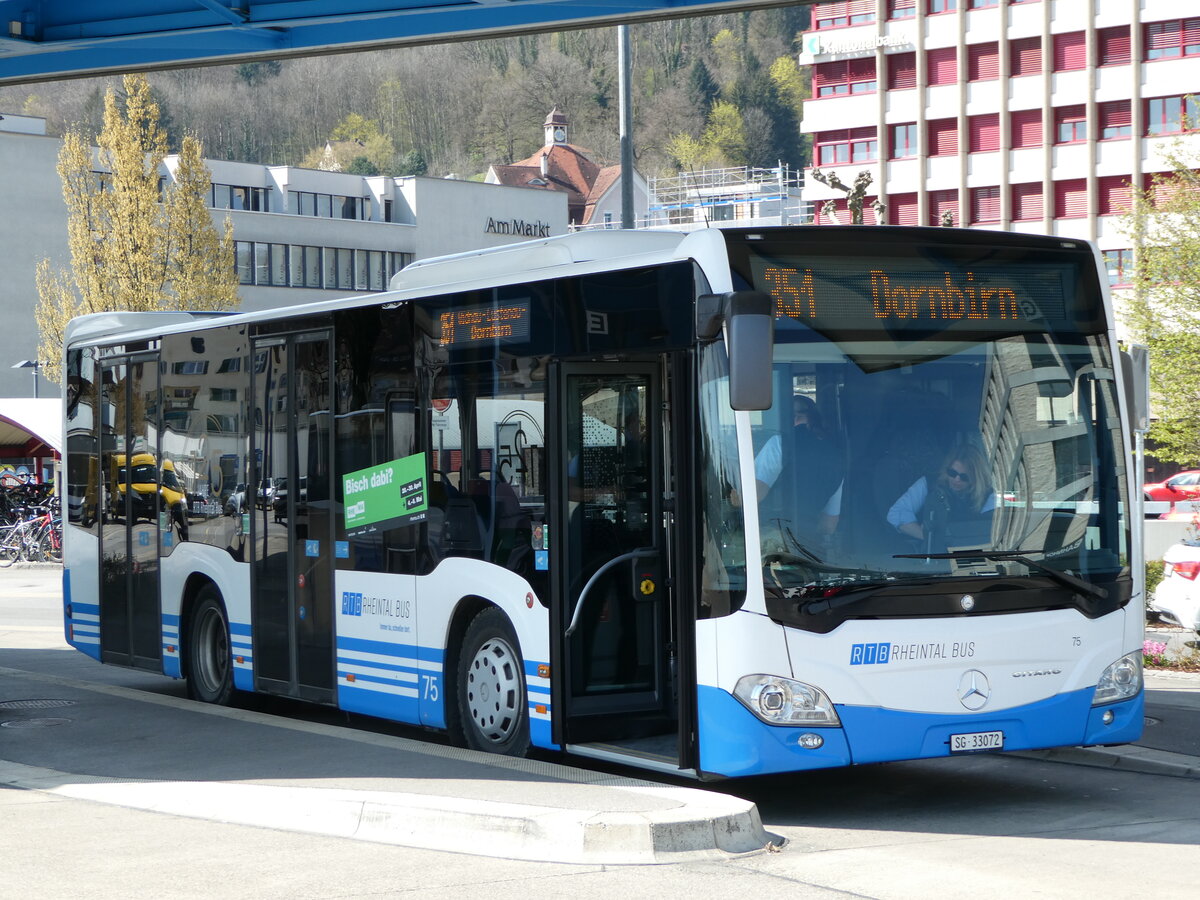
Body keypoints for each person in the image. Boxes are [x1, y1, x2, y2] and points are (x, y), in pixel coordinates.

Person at [755, 394, 844, 548]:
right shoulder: (836, 456)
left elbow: (754, 494)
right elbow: (829, 525)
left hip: (771, 541)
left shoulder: (780, 443)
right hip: (808, 549)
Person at [887, 442, 994, 549]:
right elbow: (896, 513)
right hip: (936, 558)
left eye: (964, 477)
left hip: (978, 555)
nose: (957, 479)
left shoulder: (989, 494)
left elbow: (1002, 521)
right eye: (952, 473)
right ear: (946, 469)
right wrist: (927, 537)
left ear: (976, 477)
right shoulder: (927, 484)